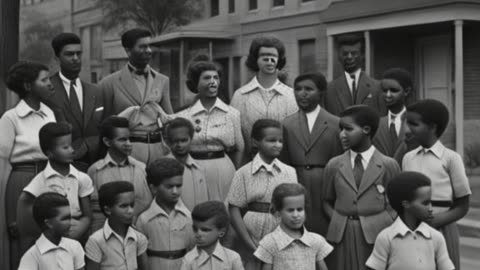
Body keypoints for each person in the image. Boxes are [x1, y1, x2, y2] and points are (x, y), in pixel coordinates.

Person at [323, 105, 400, 270]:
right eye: (341, 129)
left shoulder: (388, 164)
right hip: (342, 235)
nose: (342, 134)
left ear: (366, 129)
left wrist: (383, 222)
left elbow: (397, 203)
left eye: (348, 129)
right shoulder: (334, 165)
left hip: (377, 234)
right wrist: (339, 220)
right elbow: (327, 201)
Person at [402, 99, 471, 269]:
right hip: (413, 229)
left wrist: (437, 221)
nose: (407, 129)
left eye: (413, 124)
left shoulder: (450, 158)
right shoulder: (408, 158)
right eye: (406, 123)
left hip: (443, 228)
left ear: (432, 127)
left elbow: (463, 205)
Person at [0, 61, 56, 269]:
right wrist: (9, 214)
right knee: (23, 243)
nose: (50, 84)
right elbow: (2, 165)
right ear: (27, 86)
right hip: (21, 181)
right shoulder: (11, 118)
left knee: (49, 241)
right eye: (44, 80)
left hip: (48, 178)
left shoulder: (49, 113)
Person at [227, 119, 298, 270]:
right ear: (255, 142)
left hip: (280, 233)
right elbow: (234, 209)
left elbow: (294, 208)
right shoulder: (243, 173)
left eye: (280, 141)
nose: (277, 145)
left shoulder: (289, 172)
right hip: (250, 235)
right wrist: (249, 243)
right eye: (271, 140)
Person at [17, 122, 94, 253]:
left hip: (77, 237)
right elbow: (24, 201)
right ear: (50, 153)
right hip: (52, 237)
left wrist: (82, 226)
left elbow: (88, 214)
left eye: (71, 145)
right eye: (65, 147)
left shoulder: (81, 178)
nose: (72, 150)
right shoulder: (41, 180)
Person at [281, 73, 343, 236]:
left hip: (326, 184)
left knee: (325, 231)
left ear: (321, 92)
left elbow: (340, 159)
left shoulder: (335, 123)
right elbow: (284, 160)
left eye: (308, 89)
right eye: (298, 89)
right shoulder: (287, 124)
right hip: (296, 181)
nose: (302, 93)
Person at [100, 28, 173, 164]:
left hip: (159, 151)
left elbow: (169, 118)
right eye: (143, 47)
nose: (149, 50)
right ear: (128, 51)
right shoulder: (109, 83)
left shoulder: (162, 80)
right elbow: (105, 125)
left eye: (150, 46)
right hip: (127, 153)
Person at [177, 60, 244, 202]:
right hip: (190, 168)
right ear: (196, 83)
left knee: (222, 211)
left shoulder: (232, 114)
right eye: (207, 78)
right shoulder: (184, 116)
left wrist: (233, 171)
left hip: (223, 170)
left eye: (216, 78)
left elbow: (239, 148)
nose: (212, 82)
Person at [366, 172, 454, 270]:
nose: (431, 208)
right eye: (425, 203)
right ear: (406, 204)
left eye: (431, 202)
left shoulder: (436, 237)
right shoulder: (386, 238)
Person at [231, 36, 298, 160]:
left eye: (274, 56)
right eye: (264, 56)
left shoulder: (291, 96)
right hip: (250, 162)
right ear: (255, 59)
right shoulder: (240, 96)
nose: (269, 60)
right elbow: (235, 138)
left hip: (284, 162)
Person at [47, 33, 105, 172]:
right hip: (61, 166)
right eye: (69, 54)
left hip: (96, 165)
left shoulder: (95, 91)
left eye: (79, 54)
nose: (75, 58)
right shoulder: (47, 91)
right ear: (57, 58)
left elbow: (103, 126)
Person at [87, 116, 152, 232]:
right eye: (122, 140)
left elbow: (146, 204)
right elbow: (96, 213)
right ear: (107, 141)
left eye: (129, 139)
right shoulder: (96, 171)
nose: (128, 143)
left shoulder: (140, 168)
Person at [254, 183, 332, 270]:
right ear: (278, 212)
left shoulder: (316, 241)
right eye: (290, 210)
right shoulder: (270, 243)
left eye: (299, 209)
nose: (296, 215)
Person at [136, 157, 195, 270]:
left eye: (178, 186)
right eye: (169, 187)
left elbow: (193, 252)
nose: (175, 191)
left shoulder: (188, 217)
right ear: (153, 188)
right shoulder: (144, 220)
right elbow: (141, 255)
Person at [85, 181, 149, 270]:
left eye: (132, 205)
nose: (130, 211)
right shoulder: (96, 241)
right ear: (108, 210)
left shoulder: (139, 237)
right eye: (124, 206)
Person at [18, 192, 85, 270]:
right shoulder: (32, 257)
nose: (70, 223)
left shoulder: (74, 246)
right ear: (49, 223)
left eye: (70, 217)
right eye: (65, 219)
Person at [325, 34, 385, 116]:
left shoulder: (377, 87)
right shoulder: (329, 89)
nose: (349, 57)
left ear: (362, 55)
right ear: (339, 56)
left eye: (354, 53)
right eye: (345, 54)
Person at [180, 201, 244, 270]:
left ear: (221, 232)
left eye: (205, 230)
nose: (198, 234)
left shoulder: (232, 258)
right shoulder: (189, 259)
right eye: (195, 229)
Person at [372, 68, 417, 164]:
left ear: (406, 91)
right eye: (384, 90)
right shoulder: (376, 124)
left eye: (393, 90)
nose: (387, 95)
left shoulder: (417, 122)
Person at [165, 117, 209, 210]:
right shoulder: (162, 168)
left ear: (191, 139)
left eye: (184, 140)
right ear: (168, 142)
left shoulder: (200, 169)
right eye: (175, 141)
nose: (179, 145)